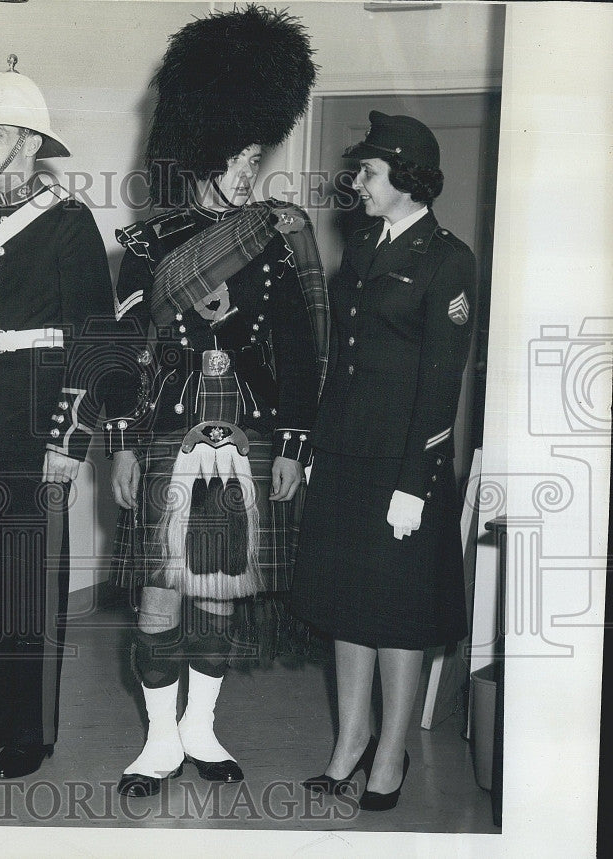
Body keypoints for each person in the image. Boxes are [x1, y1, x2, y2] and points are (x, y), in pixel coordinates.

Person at [104, 7, 327, 798]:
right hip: (167, 425)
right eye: (241, 154)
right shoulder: (144, 247)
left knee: (223, 589)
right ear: (209, 149)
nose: (250, 168)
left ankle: (202, 727)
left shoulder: (276, 231)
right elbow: (126, 358)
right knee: (159, 593)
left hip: (251, 426)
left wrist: (296, 447)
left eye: (256, 153)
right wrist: (124, 443)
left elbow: (299, 353)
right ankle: (159, 741)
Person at [0, 56, 113, 780]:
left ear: (31, 143)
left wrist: (72, 441)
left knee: (30, 582)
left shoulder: (70, 224)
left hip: (39, 429)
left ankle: (32, 731)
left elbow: (100, 342)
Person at [292, 112, 475, 811]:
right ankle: (349, 742)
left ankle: (389, 755)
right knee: (346, 603)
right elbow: (342, 358)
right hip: (345, 455)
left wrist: (414, 483)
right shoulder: (362, 243)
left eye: (367, 172)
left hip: (405, 466)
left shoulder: (448, 257)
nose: (356, 182)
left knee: (397, 612)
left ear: (405, 175)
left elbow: (441, 380)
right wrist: (317, 444)